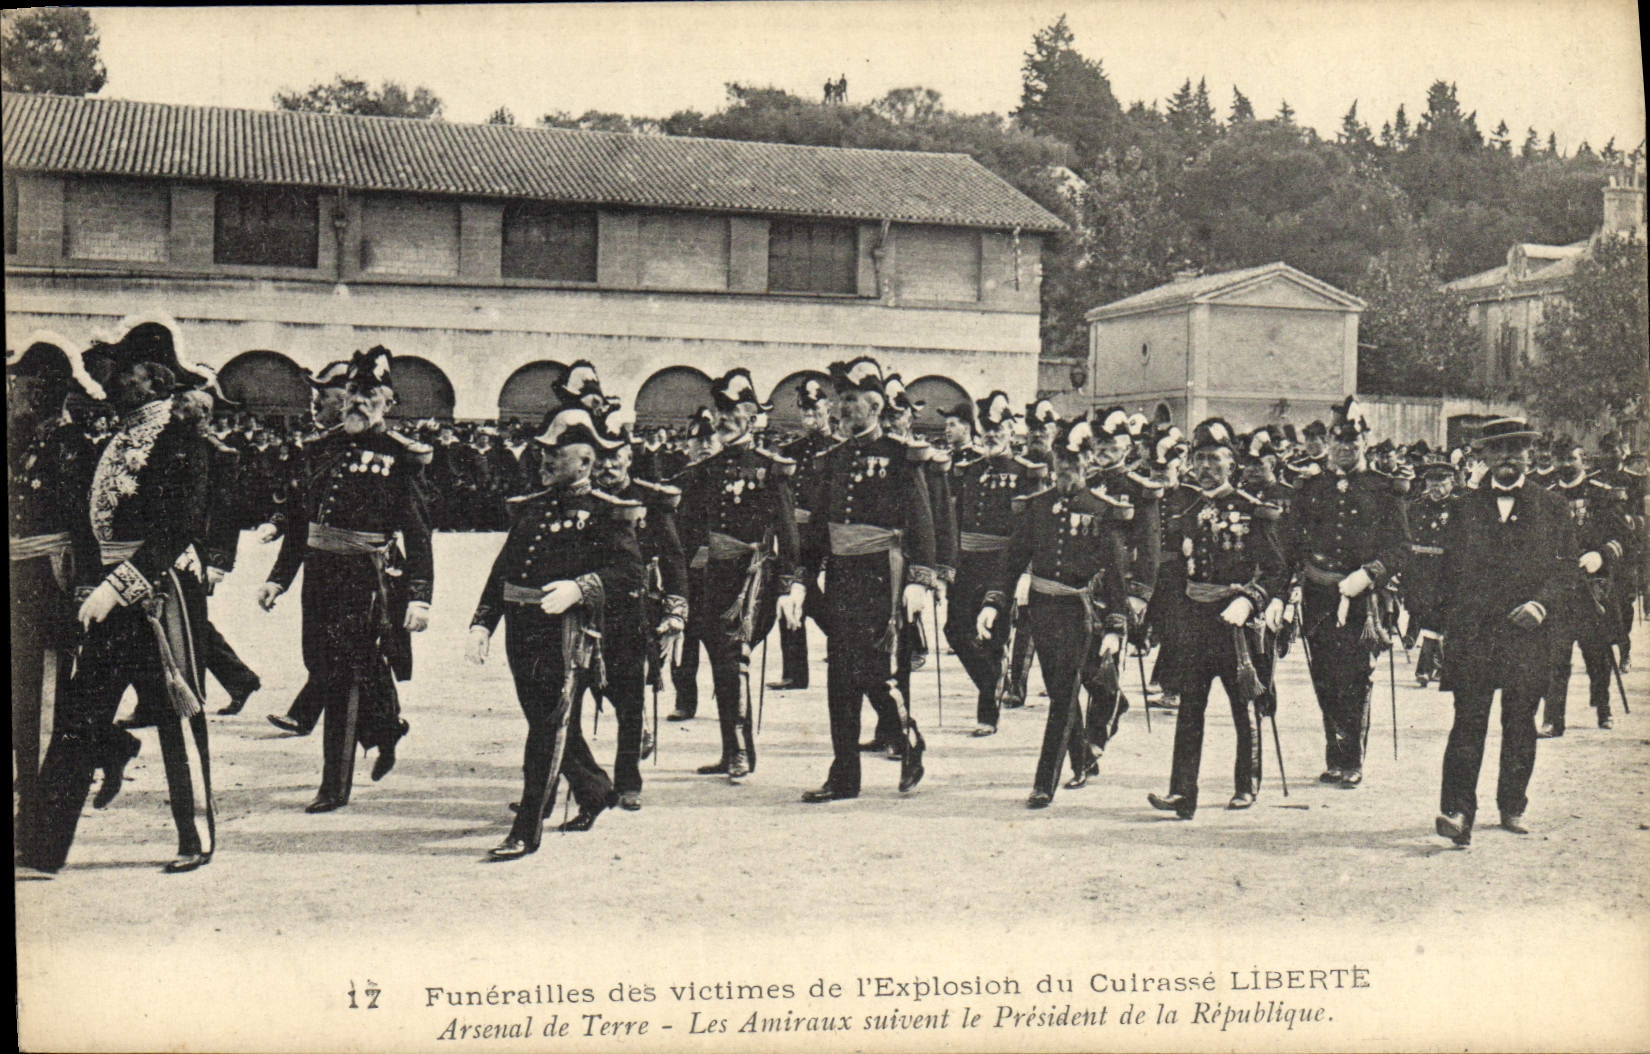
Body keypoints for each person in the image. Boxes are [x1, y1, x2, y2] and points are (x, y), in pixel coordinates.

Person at [17, 320, 216, 875]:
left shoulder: (181, 440)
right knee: (80, 716)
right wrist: (91, 582)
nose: (110, 380)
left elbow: (179, 528)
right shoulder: (114, 437)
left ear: (151, 378)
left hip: (160, 595)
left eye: (123, 370)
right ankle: (40, 849)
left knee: (177, 714)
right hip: (108, 595)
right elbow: (91, 524)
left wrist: (118, 585)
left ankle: (195, 836)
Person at [257, 347, 432, 813]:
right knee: (319, 661)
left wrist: (420, 597)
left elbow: (418, 534)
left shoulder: (401, 457)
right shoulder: (319, 449)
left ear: (387, 403)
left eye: (369, 394)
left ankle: (334, 785)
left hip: (365, 580)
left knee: (343, 676)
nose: (358, 401)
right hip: (319, 576)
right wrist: (279, 578)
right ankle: (387, 728)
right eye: (353, 392)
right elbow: (300, 522)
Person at [466, 405, 644, 857]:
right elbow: (503, 569)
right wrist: (483, 622)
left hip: (566, 633)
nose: (544, 460)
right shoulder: (531, 507)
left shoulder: (608, 512)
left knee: (546, 726)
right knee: (545, 719)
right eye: (544, 451)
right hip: (522, 631)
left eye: (556, 454)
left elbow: (629, 573)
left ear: (585, 462)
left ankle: (526, 830)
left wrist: (581, 588)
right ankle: (595, 789)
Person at [796, 357, 938, 801]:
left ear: (875, 405)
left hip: (881, 574)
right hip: (841, 576)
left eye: (852, 400)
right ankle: (844, 775)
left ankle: (907, 736)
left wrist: (919, 579)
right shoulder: (830, 459)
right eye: (841, 400)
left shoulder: (900, 456)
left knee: (874, 668)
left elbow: (922, 521)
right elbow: (818, 527)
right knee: (840, 673)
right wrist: (803, 577)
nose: (843, 408)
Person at [1435, 418, 1577, 846]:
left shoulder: (1552, 507)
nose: (1508, 459)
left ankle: (1513, 803)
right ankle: (1458, 811)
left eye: (1517, 450)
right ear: (1484, 457)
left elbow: (1567, 568)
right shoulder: (1463, 508)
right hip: (1475, 635)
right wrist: (1442, 627)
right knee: (1468, 724)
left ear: (1530, 456)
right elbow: (1448, 573)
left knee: (1520, 722)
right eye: (1498, 451)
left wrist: (1541, 605)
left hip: (1527, 633)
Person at [979, 418, 1132, 807]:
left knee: (1063, 695)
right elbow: (1012, 561)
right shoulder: (1036, 507)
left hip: (1080, 612)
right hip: (1042, 611)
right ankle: (1081, 760)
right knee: (1062, 689)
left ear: (1088, 466)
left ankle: (1044, 781)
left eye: (1074, 466)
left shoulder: (1103, 510)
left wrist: (1116, 624)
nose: (1066, 473)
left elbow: (1116, 574)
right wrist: (995, 601)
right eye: (1060, 465)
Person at [1145, 419, 1288, 819]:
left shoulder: (1253, 511)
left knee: (1243, 703)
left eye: (1215, 459)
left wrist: (1251, 600)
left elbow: (1276, 570)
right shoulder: (1187, 509)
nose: (1206, 467)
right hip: (1194, 618)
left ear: (1232, 464)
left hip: (1234, 621)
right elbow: (1175, 568)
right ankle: (1181, 793)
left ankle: (1247, 784)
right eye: (1200, 459)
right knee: (1191, 705)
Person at [671, 369, 803, 782]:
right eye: (721, 411)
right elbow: (689, 528)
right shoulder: (705, 469)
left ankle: (742, 752)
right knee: (720, 660)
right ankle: (730, 749)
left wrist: (788, 583)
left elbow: (788, 532)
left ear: (752, 417)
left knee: (733, 657)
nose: (725, 418)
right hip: (713, 577)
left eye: (734, 412)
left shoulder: (770, 468)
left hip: (752, 577)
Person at [1286, 398, 1408, 788]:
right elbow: (1292, 539)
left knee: (1355, 677)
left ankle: (1352, 758)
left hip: (1361, 598)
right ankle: (1334, 756)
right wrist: (1292, 584)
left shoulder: (1384, 489)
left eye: (1352, 442)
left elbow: (1400, 547)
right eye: (1337, 442)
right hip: (1319, 593)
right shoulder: (1310, 487)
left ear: (1364, 444)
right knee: (1323, 675)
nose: (1344, 449)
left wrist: (1371, 573)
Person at [8, 335, 98, 813]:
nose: (15, 389)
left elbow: (84, 522)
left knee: (47, 687)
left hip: (51, 576)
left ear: (45, 387)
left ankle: (41, 786)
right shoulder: (20, 439)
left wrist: (84, 583)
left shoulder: (74, 445)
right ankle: (28, 774)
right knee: (19, 682)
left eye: (21, 381)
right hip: (19, 571)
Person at [589, 410, 688, 809]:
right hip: (588, 605)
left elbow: (674, 558)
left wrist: (675, 610)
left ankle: (628, 780)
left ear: (630, 457)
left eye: (617, 457)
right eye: (601, 458)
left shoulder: (651, 500)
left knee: (630, 695)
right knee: (590, 685)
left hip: (635, 609)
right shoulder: (583, 498)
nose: (609, 466)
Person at [944, 392, 1044, 737]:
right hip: (968, 560)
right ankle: (993, 677)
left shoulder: (1027, 473)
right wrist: (949, 563)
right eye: (985, 428)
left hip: (1004, 563)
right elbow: (955, 520)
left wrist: (1026, 573)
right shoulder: (967, 470)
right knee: (954, 630)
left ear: (1011, 431)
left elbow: (1033, 528)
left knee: (992, 636)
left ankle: (988, 714)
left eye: (998, 429)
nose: (991, 435)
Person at [1539, 437, 1629, 736]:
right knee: (1555, 656)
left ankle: (1604, 709)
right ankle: (1553, 720)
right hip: (1560, 589)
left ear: (1583, 460)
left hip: (1594, 588)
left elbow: (1624, 539)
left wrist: (1600, 555)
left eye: (1572, 459)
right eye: (1560, 459)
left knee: (1598, 654)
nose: (1566, 465)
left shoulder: (1602, 495)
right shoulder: (1545, 497)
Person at [772, 377, 836, 692]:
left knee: (806, 593)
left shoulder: (837, 450)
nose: (809, 416)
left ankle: (843, 642)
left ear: (829, 408)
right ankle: (794, 671)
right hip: (791, 533)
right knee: (789, 588)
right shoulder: (791, 449)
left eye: (815, 409)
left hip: (820, 535)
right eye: (804, 411)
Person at [665, 407, 723, 722]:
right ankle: (684, 699)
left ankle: (728, 696)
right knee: (682, 636)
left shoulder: (730, 480)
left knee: (720, 642)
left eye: (709, 437)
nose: (703, 444)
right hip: (684, 574)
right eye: (696, 439)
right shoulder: (677, 483)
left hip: (719, 575)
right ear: (687, 445)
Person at [1404, 453, 1457, 686]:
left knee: (1438, 617)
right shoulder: (1415, 507)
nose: (1436, 487)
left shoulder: (1459, 507)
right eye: (1431, 482)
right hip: (1420, 570)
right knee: (1427, 615)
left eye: (1442, 482)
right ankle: (1437, 665)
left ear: (1452, 483)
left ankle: (1427, 665)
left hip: (1448, 569)